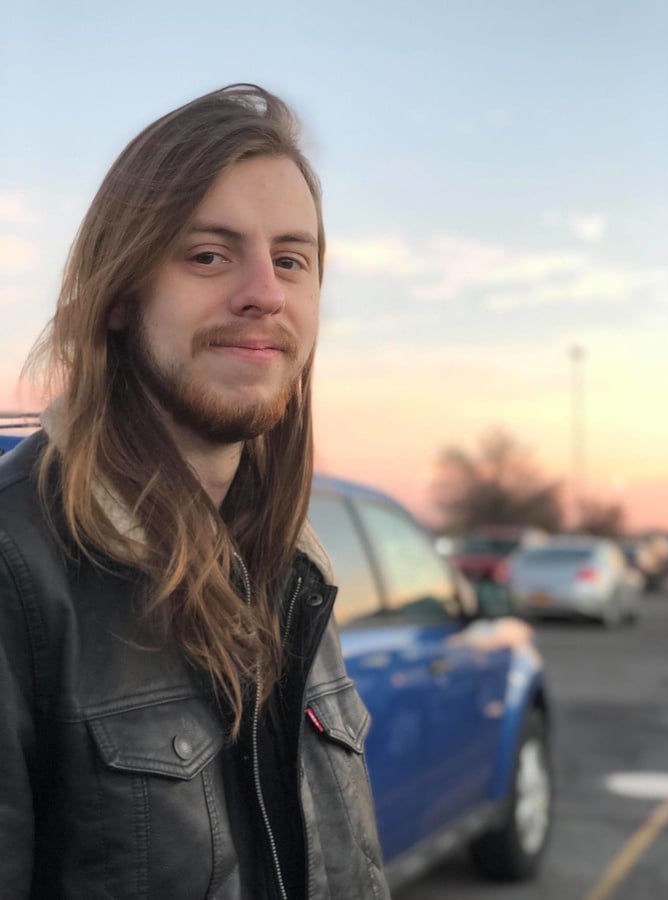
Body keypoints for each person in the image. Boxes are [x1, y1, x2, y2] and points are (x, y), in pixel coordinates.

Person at [0, 85, 390, 900]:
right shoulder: (15, 570)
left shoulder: (291, 569)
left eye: (291, 261)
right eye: (209, 255)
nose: (265, 292)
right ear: (119, 295)